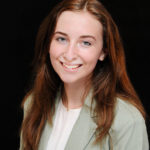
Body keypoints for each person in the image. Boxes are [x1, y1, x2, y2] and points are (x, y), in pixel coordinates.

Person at [19, 0, 149, 150]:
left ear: (103, 52)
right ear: (48, 43)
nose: (69, 54)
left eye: (86, 43)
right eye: (61, 39)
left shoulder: (126, 121)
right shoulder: (33, 104)